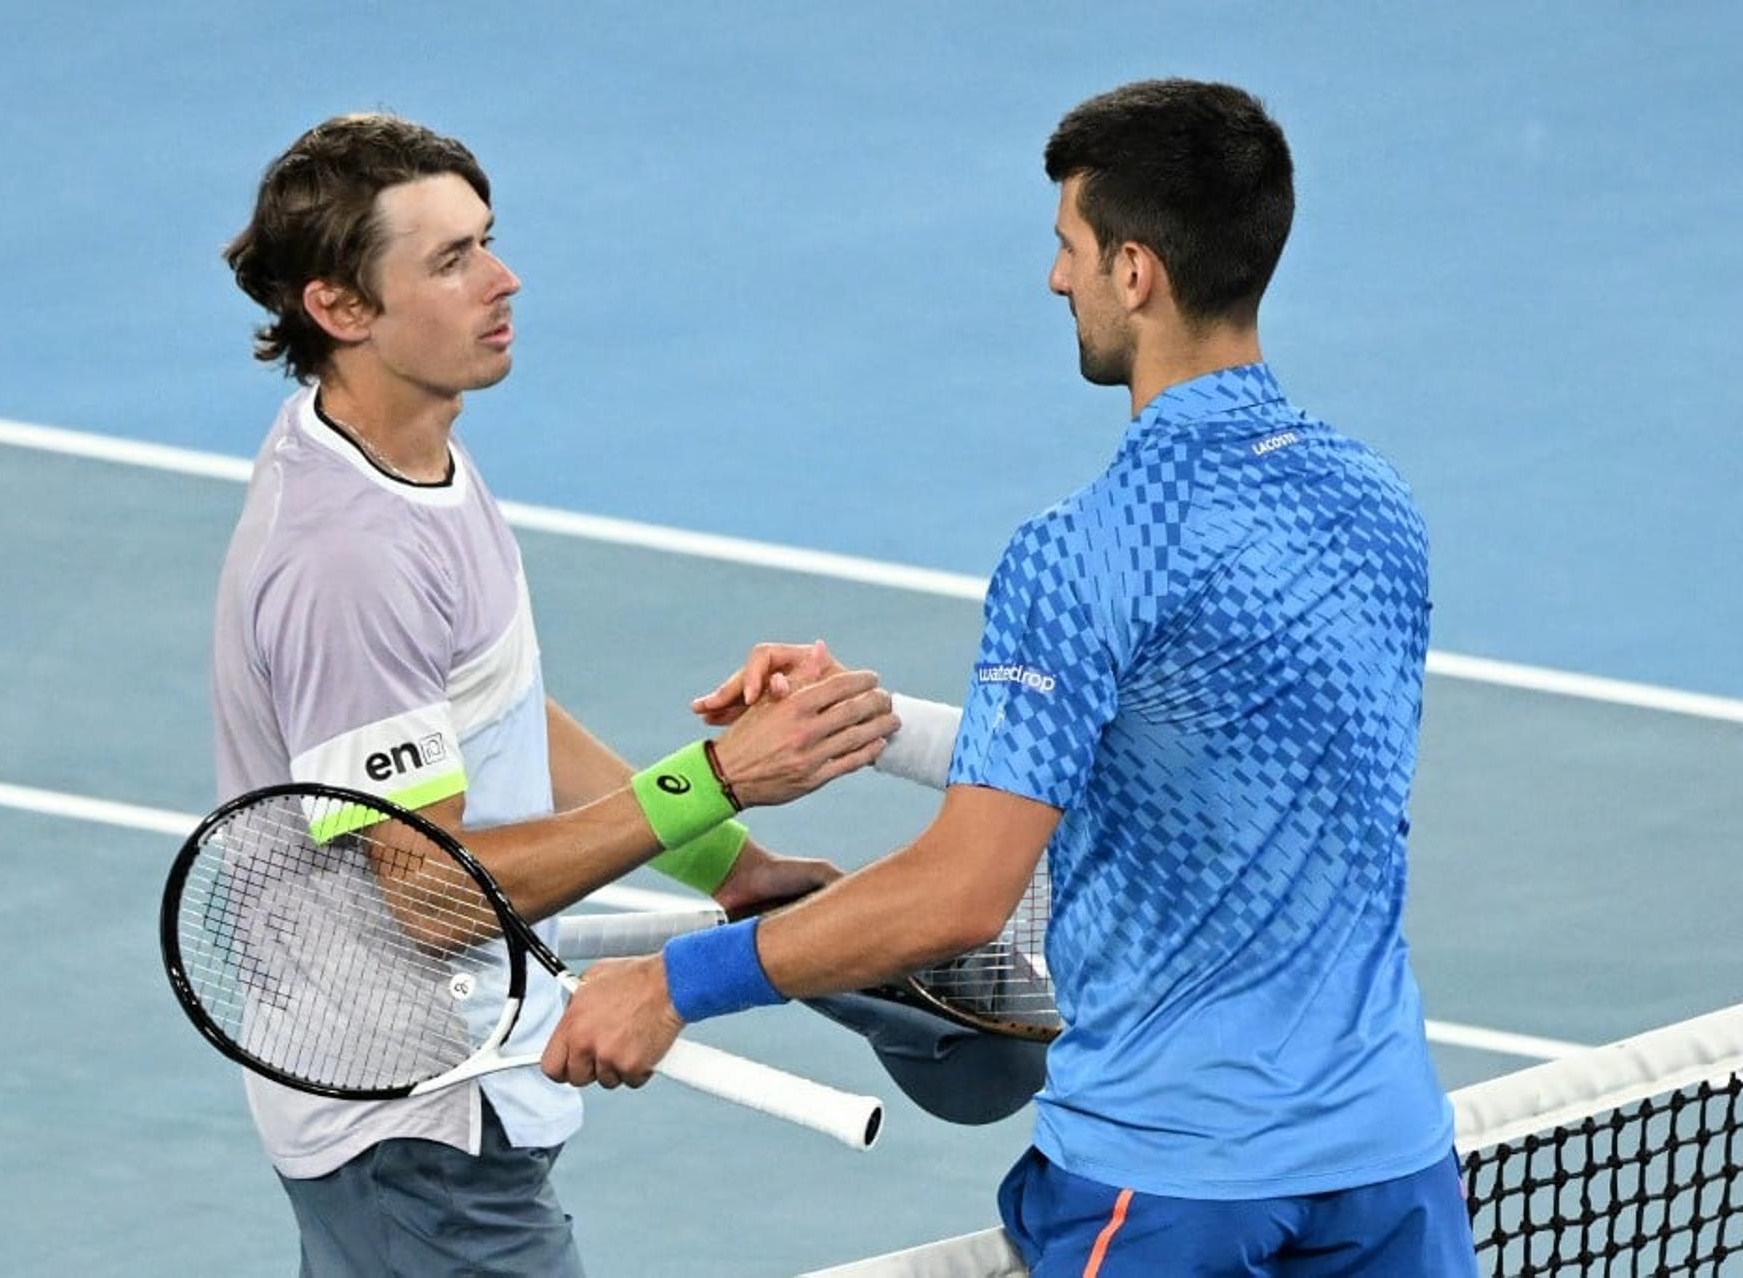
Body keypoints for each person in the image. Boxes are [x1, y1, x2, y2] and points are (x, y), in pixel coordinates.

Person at [543, 81, 1481, 1276]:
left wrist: (679, 983)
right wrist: (875, 729)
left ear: (1135, 272)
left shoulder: (1083, 548)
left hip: (1175, 1184)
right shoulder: (1375, 505)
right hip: (1389, 1165)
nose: (1057, 281)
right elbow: (1193, 758)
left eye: (1069, 248)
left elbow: (959, 897)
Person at [211, 113, 897, 1278]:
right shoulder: (350, 559)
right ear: (340, 308)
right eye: (451, 260)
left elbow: (495, 706)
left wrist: (725, 864)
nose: (504, 277)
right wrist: (719, 774)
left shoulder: (412, 448)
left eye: (488, 242)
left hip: (446, 1100)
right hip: (413, 1120)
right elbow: (431, 898)